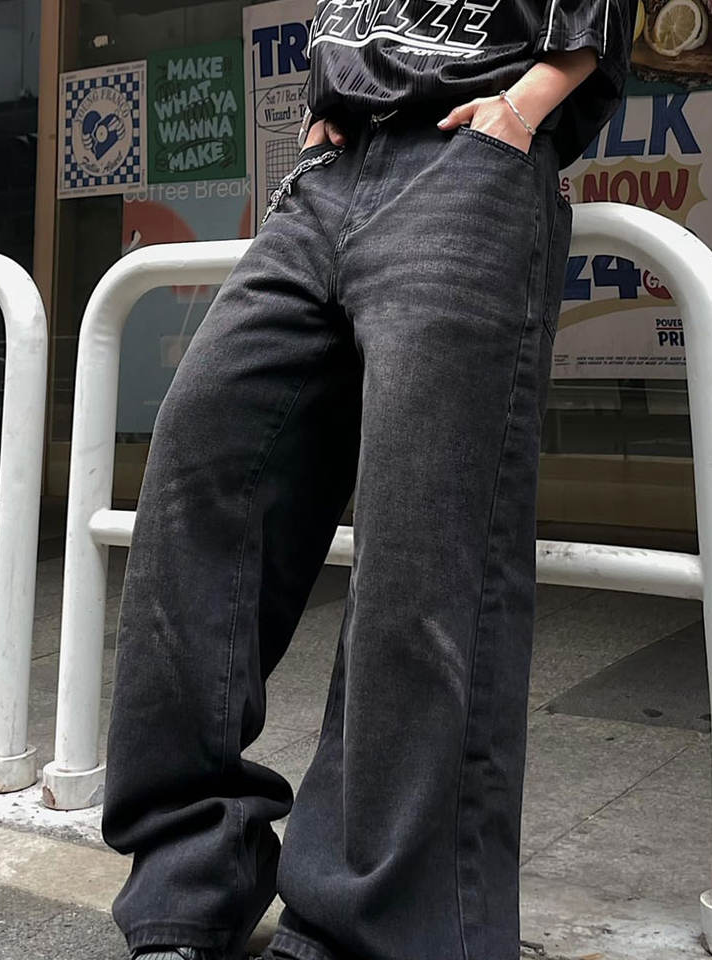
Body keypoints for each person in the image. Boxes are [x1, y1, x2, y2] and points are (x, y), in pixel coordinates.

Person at [102, 2, 635, 958]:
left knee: (420, 542)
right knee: (201, 466)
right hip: (333, 169)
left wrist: (528, 102)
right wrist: (326, 100)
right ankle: (189, 878)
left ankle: (369, 930)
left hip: (470, 153)